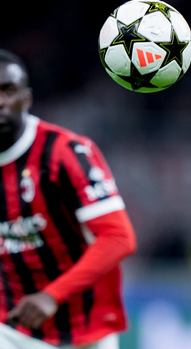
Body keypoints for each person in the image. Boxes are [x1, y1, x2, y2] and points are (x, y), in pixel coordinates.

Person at [0, 49, 137, 349]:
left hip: (84, 330)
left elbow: (118, 237)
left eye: (7, 90)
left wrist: (53, 294)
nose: (0, 102)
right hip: (10, 328)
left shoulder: (65, 152)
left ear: (27, 98)